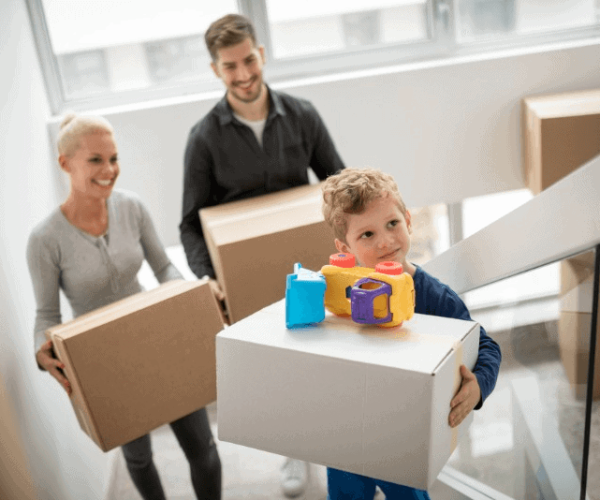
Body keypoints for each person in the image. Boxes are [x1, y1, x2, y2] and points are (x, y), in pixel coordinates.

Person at [179, 13, 345, 497]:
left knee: (323, 358)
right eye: (230, 66)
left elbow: (338, 184)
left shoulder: (303, 115)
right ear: (217, 71)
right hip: (248, 277)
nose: (244, 73)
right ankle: (296, 448)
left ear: (262, 55)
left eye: (249, 59)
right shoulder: (205, 138)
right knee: (279, 371)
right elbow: (190, 222)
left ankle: (333, 443)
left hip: (308, 270)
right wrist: (210, 279)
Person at [27, 114, 221, 500]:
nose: (110, 170)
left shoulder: (131, 207)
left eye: (113, 158)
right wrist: (41, 352)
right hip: (104, 362)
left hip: (158, 339)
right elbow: (47, 316)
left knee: (203, 449)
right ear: (65, 163)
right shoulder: (45, 239)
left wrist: (186, 298)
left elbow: (163, 266)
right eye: (96, 160)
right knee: (139, 458)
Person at [321, 168, 502, 500]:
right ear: (343, 247)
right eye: (367, 234)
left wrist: (478, 385)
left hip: (402, 435)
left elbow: (486, 345)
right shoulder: (333, 292)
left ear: (407, 220)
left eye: (392, 224)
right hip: (345, 434)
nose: (386, 241)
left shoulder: (434, 296)